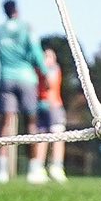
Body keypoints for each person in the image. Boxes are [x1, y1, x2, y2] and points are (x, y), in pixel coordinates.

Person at [0, 0, 48, 183]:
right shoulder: (26, 28)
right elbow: (36, 51)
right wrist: (44, 72)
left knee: (4, 124)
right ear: (17, 10)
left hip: (6, 79)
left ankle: (2, 171)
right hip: (27, 78)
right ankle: (33, 170)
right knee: (31, 124)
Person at [33, 46, 68, 184]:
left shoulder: (54, 69)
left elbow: (50, 84)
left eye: (49, 57)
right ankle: (39, 167)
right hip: (41, 105)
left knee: (58, 136)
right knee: (41, 137)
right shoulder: (38, 70)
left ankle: (57, 166)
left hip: (54, 105)